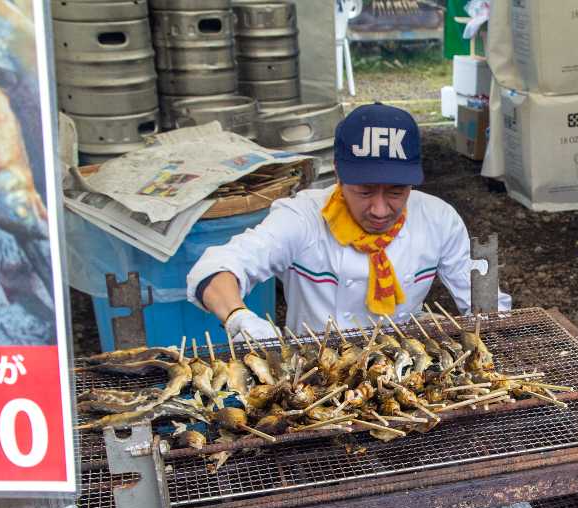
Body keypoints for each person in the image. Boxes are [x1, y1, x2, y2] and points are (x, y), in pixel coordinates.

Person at [187, 103, 510, 341]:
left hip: (405, 360)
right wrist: (238, 317)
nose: (381, 210)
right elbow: (216, 267)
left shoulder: (439, 218)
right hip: (315, 366)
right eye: (365, 191)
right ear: (340, 177)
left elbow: (484, 300)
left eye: (397, 192)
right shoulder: (302, 218)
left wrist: (498, 337)